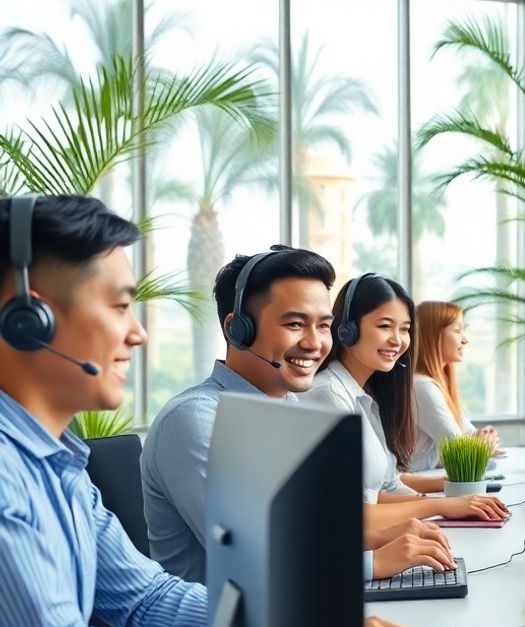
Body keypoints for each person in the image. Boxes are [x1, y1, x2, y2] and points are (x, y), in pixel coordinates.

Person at [0, 197, 434, 627]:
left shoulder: (58, 465)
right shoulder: (9, 471)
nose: (137, 333)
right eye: (118, 306)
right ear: (28, 319)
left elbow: (145, 599)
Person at [143, 247, 459, 584]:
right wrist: (372, 562)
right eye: (295, 323)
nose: (315, 343)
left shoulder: (291, 408)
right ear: (239, 330)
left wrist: (393, 533)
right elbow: (251, 554)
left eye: (323, 326)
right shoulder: (196, 420)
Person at [302, 274, 510, 513]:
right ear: (348, 329)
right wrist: (441, 506)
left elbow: (388, 486)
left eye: (405, 329)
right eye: (385, 326)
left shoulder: (366, 399)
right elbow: (349, 510)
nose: (397, 340)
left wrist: (449, 504)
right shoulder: (329, 396)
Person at [410, 300, 501, 472]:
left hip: (426, 478)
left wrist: (485, 437)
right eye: (458, 331)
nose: (465, 339)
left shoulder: (435, 384)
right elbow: (461, 450)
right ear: (434, 335)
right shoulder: (422, 387)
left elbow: (469, 436)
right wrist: (482, 446)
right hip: (416, 485)